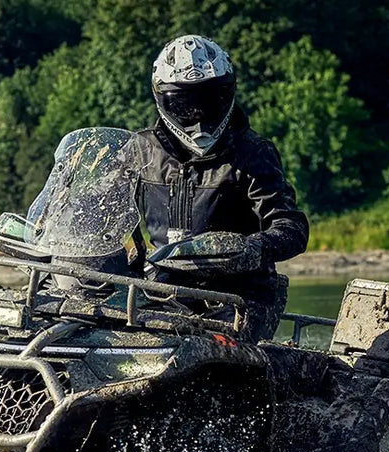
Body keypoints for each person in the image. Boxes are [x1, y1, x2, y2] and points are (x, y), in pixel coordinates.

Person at [132, 34, 309, 341]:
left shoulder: (253, 152)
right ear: (163, 99)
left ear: (227, 95)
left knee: (207, 351)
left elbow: (291, 226)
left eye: (209, 101)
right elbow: (99, 207)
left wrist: (252, 249)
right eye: (186, 105)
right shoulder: (140, 150)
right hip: (164, 288)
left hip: (241, 295)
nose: (199, 116)